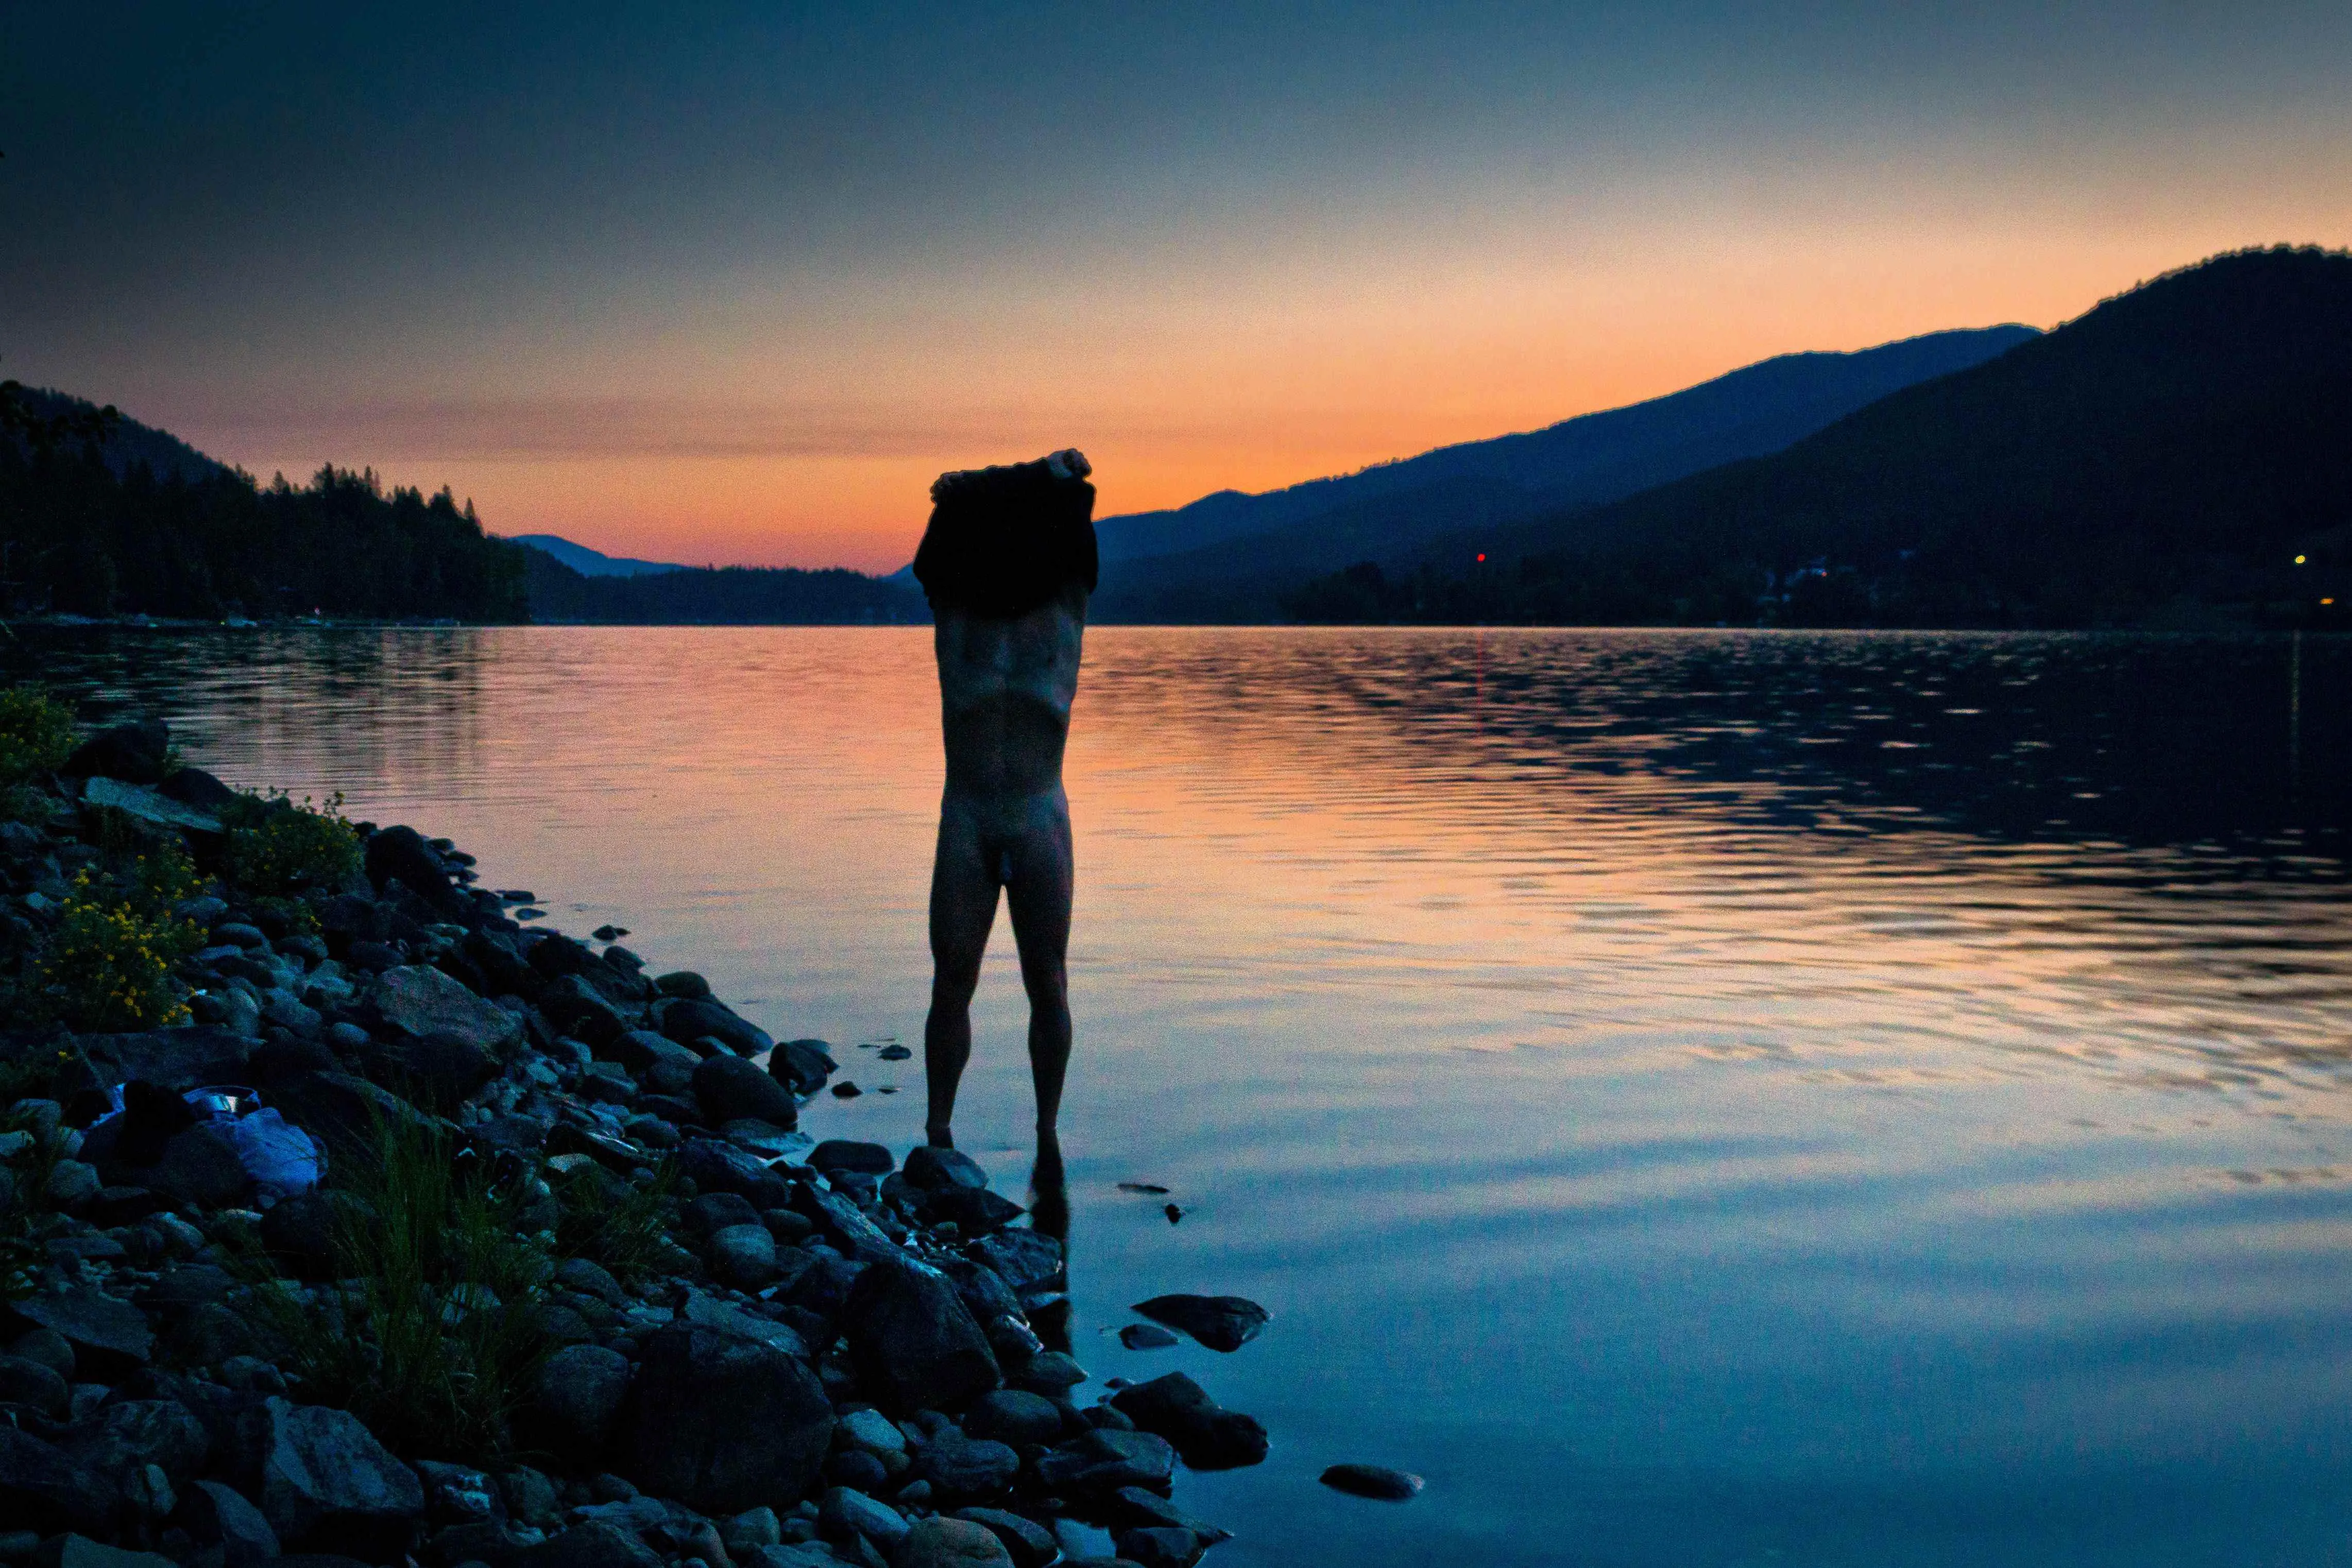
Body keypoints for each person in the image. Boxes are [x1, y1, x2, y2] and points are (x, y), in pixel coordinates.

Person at [912, 448, 1097, 1155]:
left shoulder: (1066, 605)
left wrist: (1043, 478)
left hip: (1038, 814)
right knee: (949, 981)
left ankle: (1046, 1137)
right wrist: (1028, 475)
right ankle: (936, 1134)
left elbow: (1075, 490)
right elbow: (946, 502)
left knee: (1047, 982)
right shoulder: (953, 605)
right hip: (966, 818)